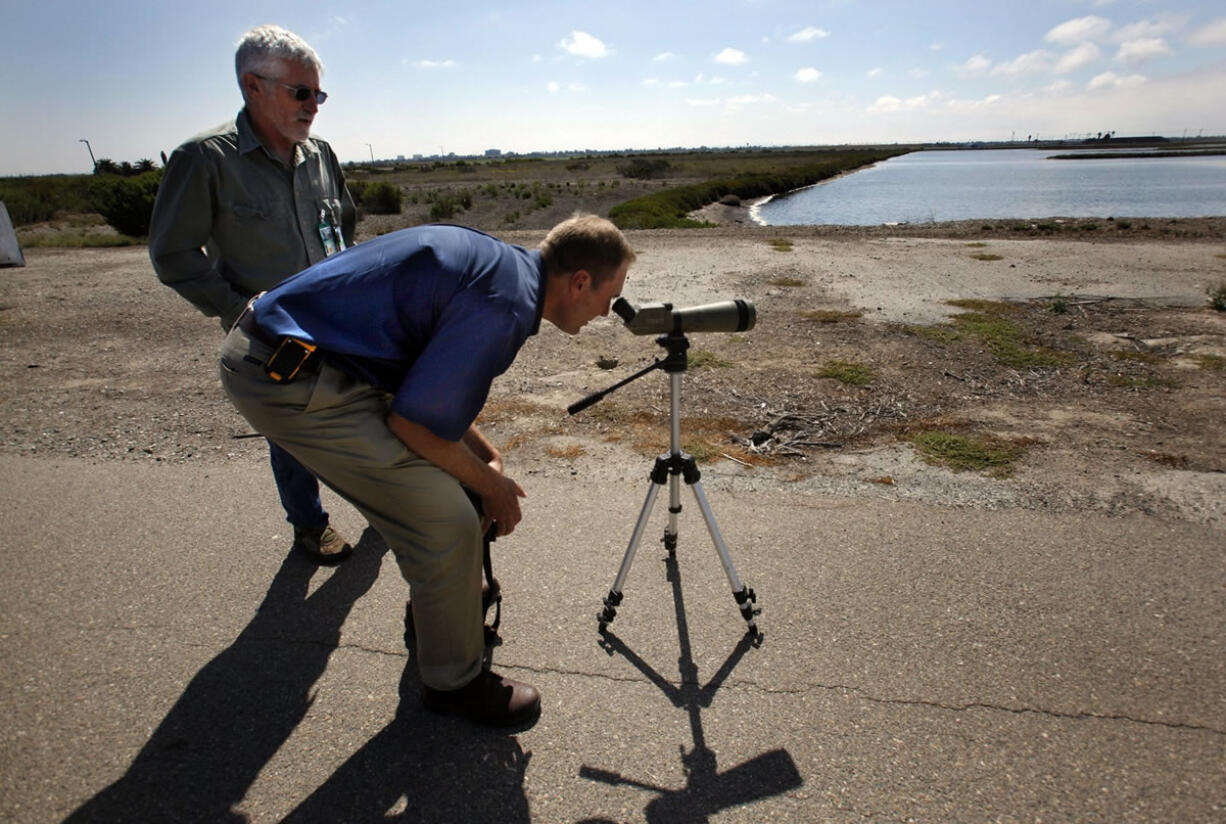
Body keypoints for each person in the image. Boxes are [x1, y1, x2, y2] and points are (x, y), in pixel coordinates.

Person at [218, 215, 635, 726]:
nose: (608, 312)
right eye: (610, 297)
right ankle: (452, 685)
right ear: (580, 282)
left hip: (307, 358)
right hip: (286, 376)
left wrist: (483, 461)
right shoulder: (503, 306)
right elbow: (414, 424)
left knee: (455, 488)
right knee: (448, 521)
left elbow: (426, 393)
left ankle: (443, 606)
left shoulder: (503, 268)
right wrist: (495, 487)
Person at [149, 25, 357, 564]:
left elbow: (345, 228)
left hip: (341, 322)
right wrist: (239, 310)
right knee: (291, 439)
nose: (313, 106)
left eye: (318, 94)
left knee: (365, 415)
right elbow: (172, 253)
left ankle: (389, 507)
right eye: (300, 92)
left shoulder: (322, 155)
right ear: (253, 86)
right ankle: (310, 526)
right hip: (271, 337)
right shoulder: (205, 159)